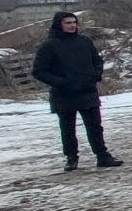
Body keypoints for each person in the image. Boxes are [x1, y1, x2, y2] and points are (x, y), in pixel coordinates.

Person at [31, 11, 124, 170]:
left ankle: (102, 156)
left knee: (95, 126)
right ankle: (71, 158)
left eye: (74, 22)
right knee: (68, 129)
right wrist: (60, 82)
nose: (72, 25)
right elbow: (39, 71)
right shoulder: (49, 45)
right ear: (59, 24)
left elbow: (97, 61)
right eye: (68, 22)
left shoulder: (84, 41)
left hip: (87, 91)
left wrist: (95, 75)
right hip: (64, 94)